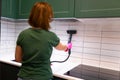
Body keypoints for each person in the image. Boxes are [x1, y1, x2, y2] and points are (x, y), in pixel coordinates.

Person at [15, 2, 72, 80]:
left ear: (32, 16)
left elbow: (18, 58)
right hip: (43, 76)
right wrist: (67, 47)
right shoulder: (51, 36)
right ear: (48, 18)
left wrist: (31, 61)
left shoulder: (23, 34)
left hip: (24, 76)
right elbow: (61, 47)